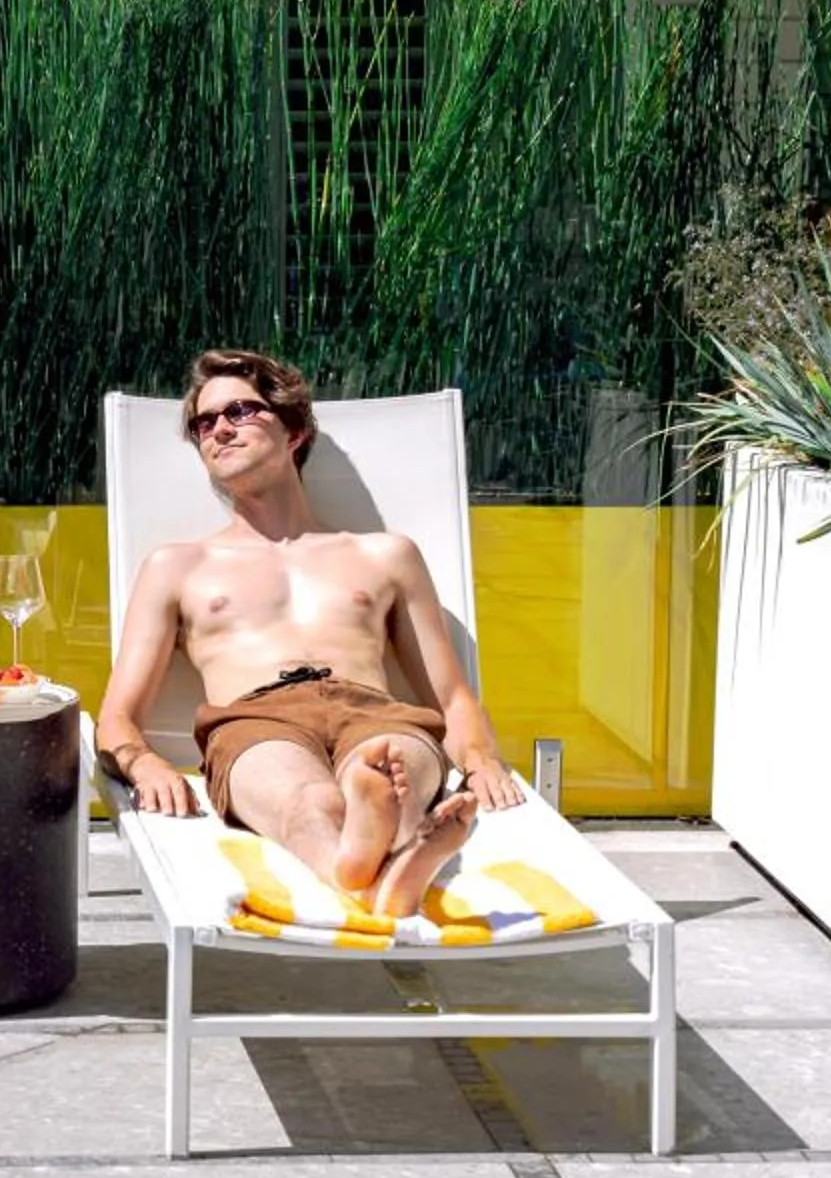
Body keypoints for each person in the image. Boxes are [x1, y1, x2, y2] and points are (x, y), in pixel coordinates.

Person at [95, 348, 523, 916]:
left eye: (240, 412)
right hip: (253, 720)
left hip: (375, 711)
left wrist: (479, 759)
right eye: (204, 423)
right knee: (309, 800)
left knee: (387, 770)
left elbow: (449, 696)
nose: (218, 430)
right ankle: (394, 865)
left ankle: (367, 864)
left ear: (294, 430)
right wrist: (145, 764)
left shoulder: (386, 555)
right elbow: (116, 718)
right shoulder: (176, 566)